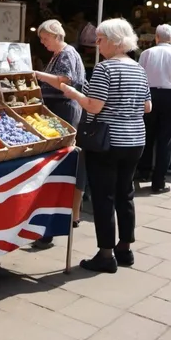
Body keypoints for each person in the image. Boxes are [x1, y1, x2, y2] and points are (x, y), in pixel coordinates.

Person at [61, 18, 151, 274]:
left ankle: (105, 254)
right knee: (125, 194)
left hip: (108, 141)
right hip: (135, 140)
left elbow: (94, 106)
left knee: (104, 197)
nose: (97, 44)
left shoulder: (105, 69)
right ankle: (125, 248)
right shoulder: (138, 68)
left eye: (100, 39)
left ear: (113, 41)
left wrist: (73, 94)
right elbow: (147, 107)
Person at [33, 19, 86, 249]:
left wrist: (37, 74)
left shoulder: (66, 54)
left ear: (56, 36)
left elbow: (64, 82)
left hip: (64, 110)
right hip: (61, 109)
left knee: (62, 161)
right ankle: (69, 215)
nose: (43, 43)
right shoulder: (60, 53)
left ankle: (59, 219)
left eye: (45, 38)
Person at [137, 24, 171, 194]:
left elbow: (140, 75)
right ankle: (159, 181)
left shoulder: (146, 53)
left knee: (147, 134)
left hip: (149, 94)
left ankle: (143, 172)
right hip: (169, 96)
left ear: (156, 37)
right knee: (165, 140)